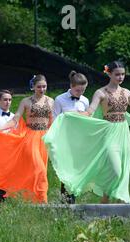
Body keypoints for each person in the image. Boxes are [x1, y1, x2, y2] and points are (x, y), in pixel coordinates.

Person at [44, 61, 130, 204]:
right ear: (109, 73)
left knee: (123, 171)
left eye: (123, 74)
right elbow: (89, 112)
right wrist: (68, 115)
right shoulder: (100, 92)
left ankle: (114, 205)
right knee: (115, 170)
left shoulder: (127, 92)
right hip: (108, 133)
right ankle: (104, 201)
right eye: (117, 74)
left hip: (124, 133)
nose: (120, 77)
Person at [0, 75, 54, 203]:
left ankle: (37, 199)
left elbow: (52, 122)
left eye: (44, 86)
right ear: (33, 87)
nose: (42, 89)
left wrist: (53, 138)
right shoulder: (26, 101)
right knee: (39, 169)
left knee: (42, 170)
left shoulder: (51, 101)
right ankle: (43, 200)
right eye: (39, 87)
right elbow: (14, 120)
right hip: (31, 138)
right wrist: (0, 128)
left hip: (44, 138)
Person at [52, 71, 90, 204]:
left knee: (76, 169)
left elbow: (88, 118)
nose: (80, 93)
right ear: (71, 86)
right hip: (64, 138)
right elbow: (54, 120)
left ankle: (73, 197)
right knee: (65, 168)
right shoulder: (59, 99)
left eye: (83, 90)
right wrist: (70, 114)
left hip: (79, 138)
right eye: (78, 90)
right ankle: (66, 200)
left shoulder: (85, 100)